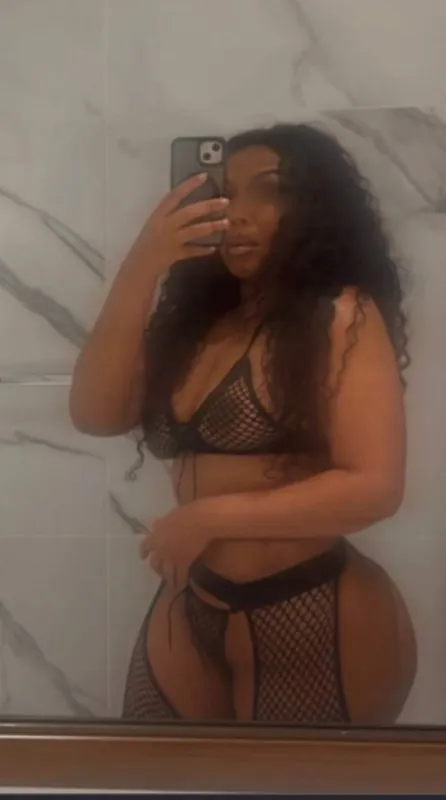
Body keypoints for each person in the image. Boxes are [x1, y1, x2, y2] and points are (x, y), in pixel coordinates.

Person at [70, 123, 417, 724]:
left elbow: (375, 488)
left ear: (315, 207)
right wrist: (142, 265)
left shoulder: (341, 315)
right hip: (191, 603)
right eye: (225, 192)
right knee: (151, 772)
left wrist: (207, 518)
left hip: (313, 603)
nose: (238, 213)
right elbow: (95, 415)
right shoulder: (199, 328)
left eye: (270, 189)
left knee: (286, 779)